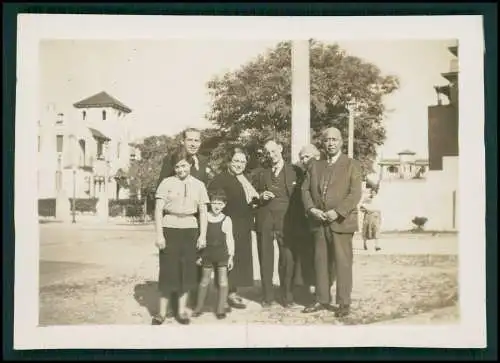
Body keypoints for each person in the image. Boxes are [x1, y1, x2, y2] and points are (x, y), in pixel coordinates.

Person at [301, 127, 362, 318]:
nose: (331, 143)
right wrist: (312, 209)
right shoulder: (315, 165)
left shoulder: (352, 165)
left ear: (341, 142)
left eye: (335, 140)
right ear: (323, 143)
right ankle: (321, 299)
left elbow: (355, 194)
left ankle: (344, 302)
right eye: (327, 140)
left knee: (343, 263)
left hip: (341, 223)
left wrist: (338, 212)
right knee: (320, 262)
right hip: (319, 222)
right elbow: (305, 190)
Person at [152, 146, 209, 325]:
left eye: (184, 166)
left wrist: (203, 236)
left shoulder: (199, 185)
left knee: (187, 271)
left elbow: (203, 211)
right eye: (177, 167)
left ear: (190, 164)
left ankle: (182, 310)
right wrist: (160, 235)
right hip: (170, 228)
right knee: (168, 271)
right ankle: (162, 312)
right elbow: (158, 210)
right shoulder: (166, 183)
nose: (181, 170)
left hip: (191, 230)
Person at [207, 146, 259, 310]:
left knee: (238, 259)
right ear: (229, 161)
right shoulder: (220, 180)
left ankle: (232, 291)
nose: (239, 164)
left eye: (243, 162)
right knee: (227, 258)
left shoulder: (243, 179)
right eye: (236, 161)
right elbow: (215, 203)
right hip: (227, 225)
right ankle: (227, 294)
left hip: (242, 225)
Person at [254, 139, 300, 308]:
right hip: (265, 217)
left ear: (280, 149)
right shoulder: (261, 173)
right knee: (265, 257)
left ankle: (287, 296)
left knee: (287, 258)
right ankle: (267, 296)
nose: (271, 155)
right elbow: (253, 193)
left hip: (286, 219)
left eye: (274, 151)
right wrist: (261, 195)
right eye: (268, 152)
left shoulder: (295, 171)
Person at [192, 189, 235, 319]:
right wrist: (198, 255)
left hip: (221, 254)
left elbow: (230, 239)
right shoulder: (204, 218)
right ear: (210, 203)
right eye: (214, 203)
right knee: (204, 281)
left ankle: (220, 309)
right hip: (207, 253)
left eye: (220, 204)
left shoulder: (227, 220)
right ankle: (199, 308)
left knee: (223, 282)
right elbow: (198, 237)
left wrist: (231, 256)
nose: (217, 206)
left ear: (225, 205)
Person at [291, 144, 321, 300]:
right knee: (303, 257)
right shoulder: (299, 174)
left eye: (307, 156)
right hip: (302, 222)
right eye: (301, 157)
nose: (303, 160)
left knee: (318, 256)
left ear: (316, 157)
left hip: (318, 220)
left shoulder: (322, 172)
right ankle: (304, 288)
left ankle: (319, 289)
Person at [360, 187, 382, 252]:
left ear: (376, 193)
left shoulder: (378, 199)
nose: (373, 193)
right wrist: (366, 210)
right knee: (366, 230)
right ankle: (365, 244)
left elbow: (379, 209)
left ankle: (376, 246)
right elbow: (361, 208)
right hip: (368, 216)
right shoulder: (367, 199)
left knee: (376, 230)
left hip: (375, 216)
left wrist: (380, 218)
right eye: (372, 192)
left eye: (374, 192)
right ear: (370, 192)